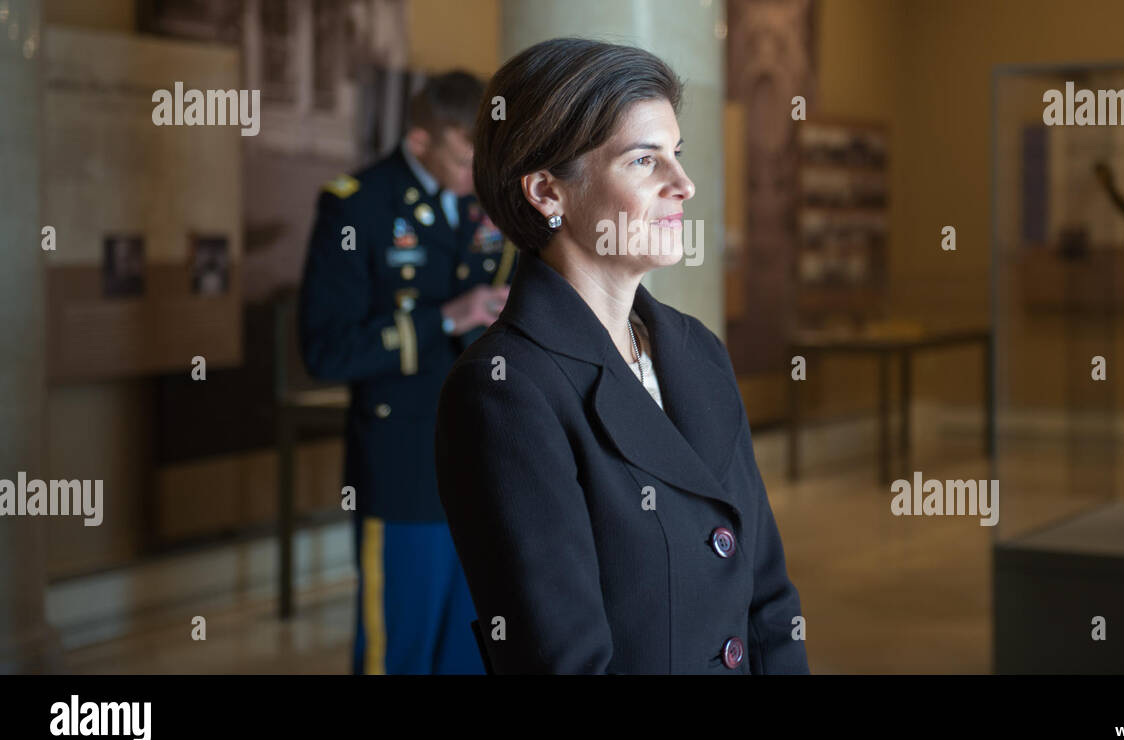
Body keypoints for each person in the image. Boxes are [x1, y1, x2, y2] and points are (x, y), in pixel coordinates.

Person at [434, 37, 810, 674]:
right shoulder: (504, 391)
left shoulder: (697, 351)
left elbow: (769, 597)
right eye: (644, 160)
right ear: (547, 192)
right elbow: (563, 660)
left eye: (677, 155)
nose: (683, 184)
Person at [299, 70, 514, 674]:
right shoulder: (357, 205)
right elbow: (325, 350)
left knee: (474, 649)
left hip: (487, 463)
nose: (479, 175)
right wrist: (442, 319)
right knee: (401, 648)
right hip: (403, 466)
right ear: (420, 141)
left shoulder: (491, 204)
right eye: (465, 158)